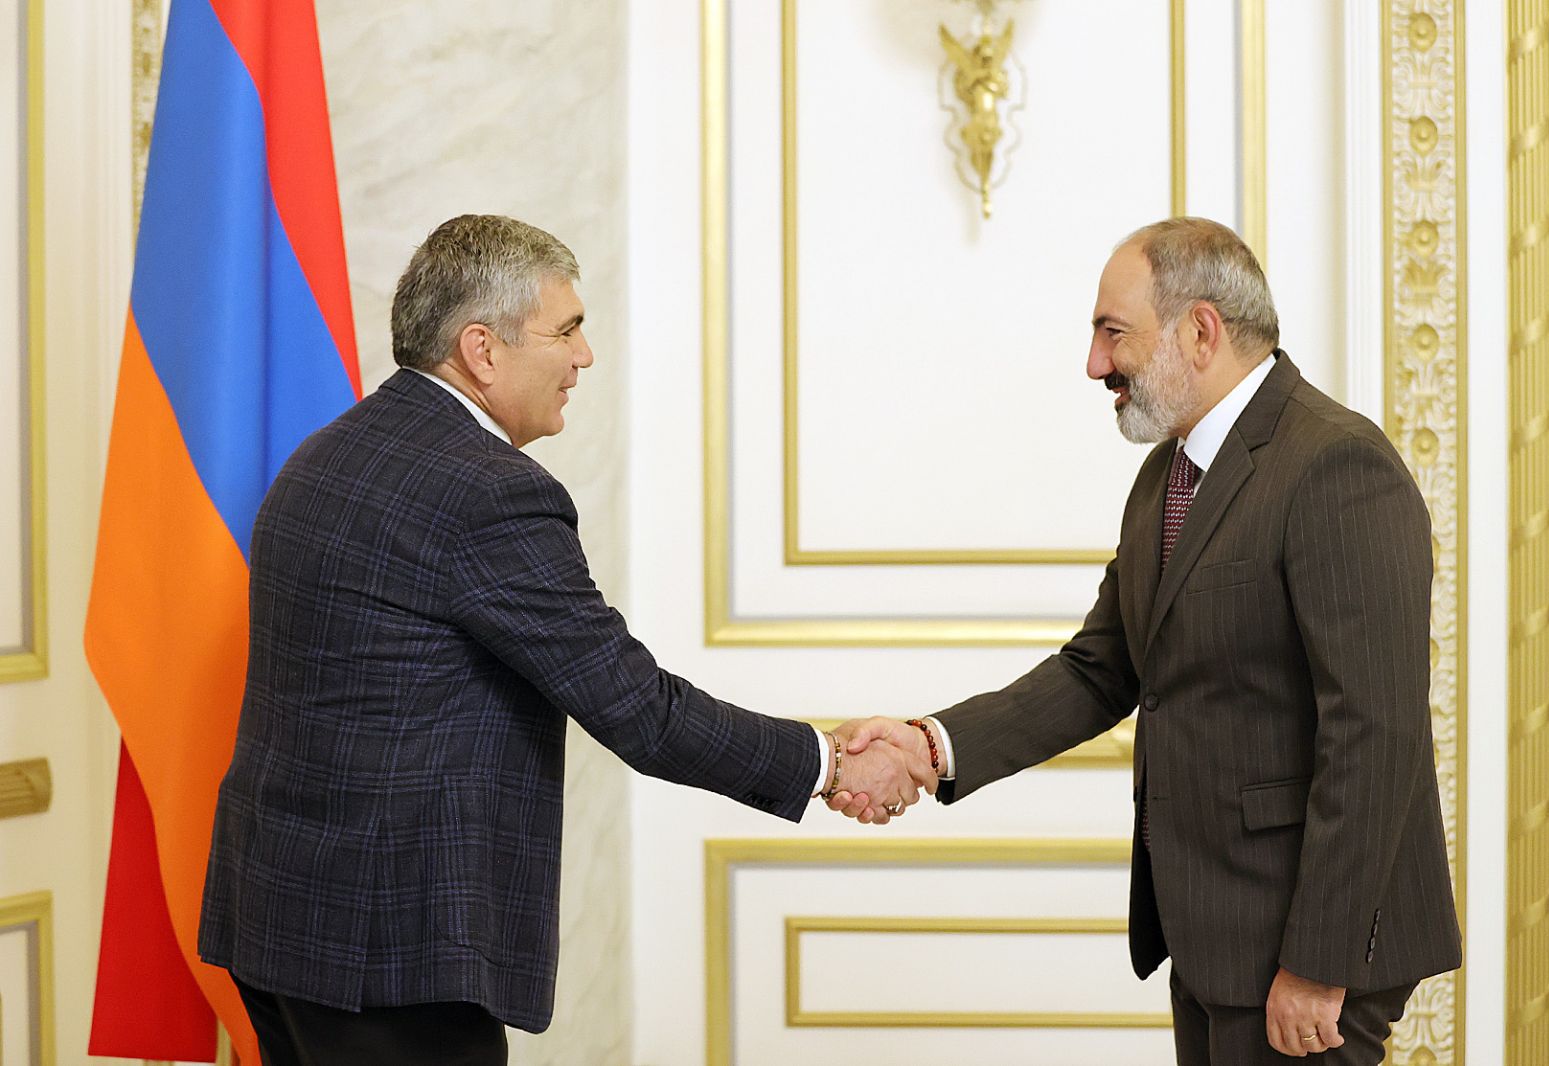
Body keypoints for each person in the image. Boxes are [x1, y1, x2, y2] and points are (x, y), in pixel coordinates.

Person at [197, 214, 932, 1065]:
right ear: (482, 349)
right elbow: (640, 712)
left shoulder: (322, 457)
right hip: (390, 955)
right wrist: (830, 764)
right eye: (567, 330)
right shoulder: (487, 493)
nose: (585, 356)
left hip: (278, 918)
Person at [830, 218, 1461, 1064]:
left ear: (1200, 331)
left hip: (1302, 947)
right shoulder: (1168, 474)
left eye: (1112, 332)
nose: (1096, 364)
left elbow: (1376, 734)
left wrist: (1320, 961)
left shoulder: (1337, 465)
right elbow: (1100, 669)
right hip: (1210, 932)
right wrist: (927, 747)